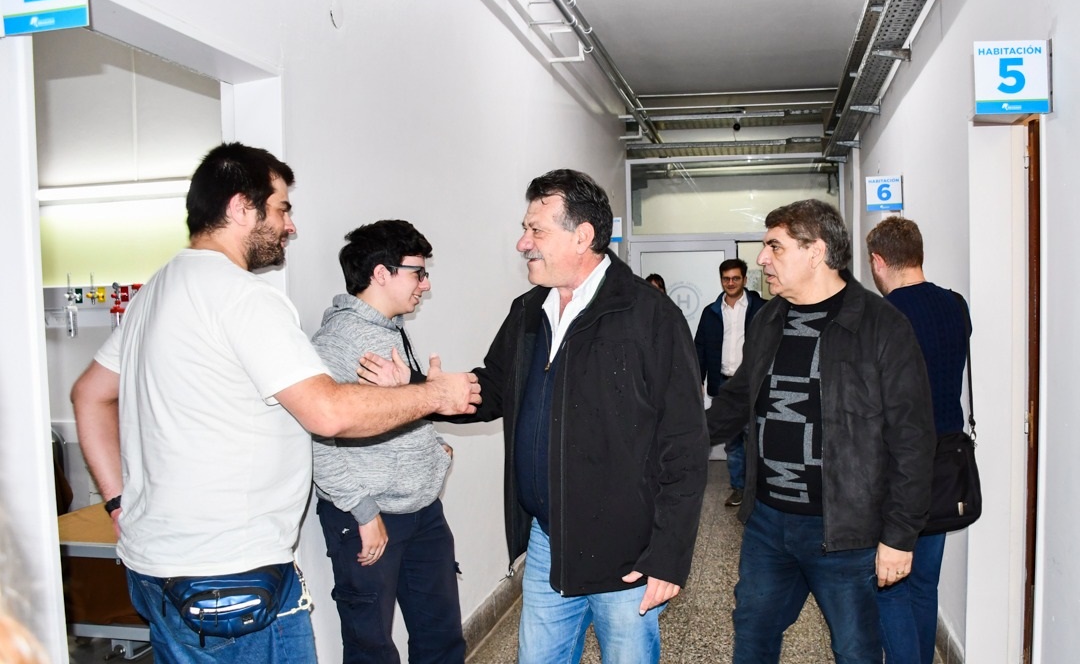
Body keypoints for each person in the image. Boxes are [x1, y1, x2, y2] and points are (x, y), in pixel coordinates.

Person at [70, 143, 480, 663]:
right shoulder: (243, 297)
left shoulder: (155, 291)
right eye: (282, 208)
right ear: (242, 208)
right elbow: (327, 413)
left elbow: (88, 394)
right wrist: (435, 395)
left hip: (156, 565)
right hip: (231, 577)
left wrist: (117, 503)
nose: (290, 225)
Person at [428, 169, 707, 663]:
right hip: (548, 542)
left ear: (583, 236)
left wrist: (668, 555)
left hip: (626, 551)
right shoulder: (527, 311)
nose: (523, 243)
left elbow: (684, 442)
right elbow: (497, 388)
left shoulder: (649, 315)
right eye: (525, 229)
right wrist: (429, 392)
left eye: (536, 231)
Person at [707, 199, 935, 664]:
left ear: (816, 252)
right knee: (752, 635)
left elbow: (912, 440)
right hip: (768, 523)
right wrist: (668, 439)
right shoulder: (768, 319)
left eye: (774, 246)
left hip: (846, 531)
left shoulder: (882, 326)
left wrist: (899, 535)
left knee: (855, 650)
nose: (762, 259)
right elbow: (736, 400)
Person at [310, 220, 465, 664]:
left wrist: (431, 447)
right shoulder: (337, 341)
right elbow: (317, 437)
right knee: (372, 649)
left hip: (421, 512)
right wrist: (364, 512)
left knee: (442, 639)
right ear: (381, 273)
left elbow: (396, 407)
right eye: (419, 273)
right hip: (371, 518)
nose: (425, 284)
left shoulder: (390, 327)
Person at [867, 216, 970, 664]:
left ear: (878, 261)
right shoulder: (955, 305)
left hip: (897, 470)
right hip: (946, 464)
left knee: (889, 586)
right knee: (924, 583)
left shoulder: (882, 317)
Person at [693, 258, 765, 507]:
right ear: (721, 280)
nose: (731, 283)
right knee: (732, 443)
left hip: (754, 385)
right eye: (726, 279)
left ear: (744, 279)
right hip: (724, 386)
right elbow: (700, 348)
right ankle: (739, 489)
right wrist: (698, 379)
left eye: (735, 278)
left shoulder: (761, 308)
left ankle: (758, 492)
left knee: (756, 441)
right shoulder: (711, 312)